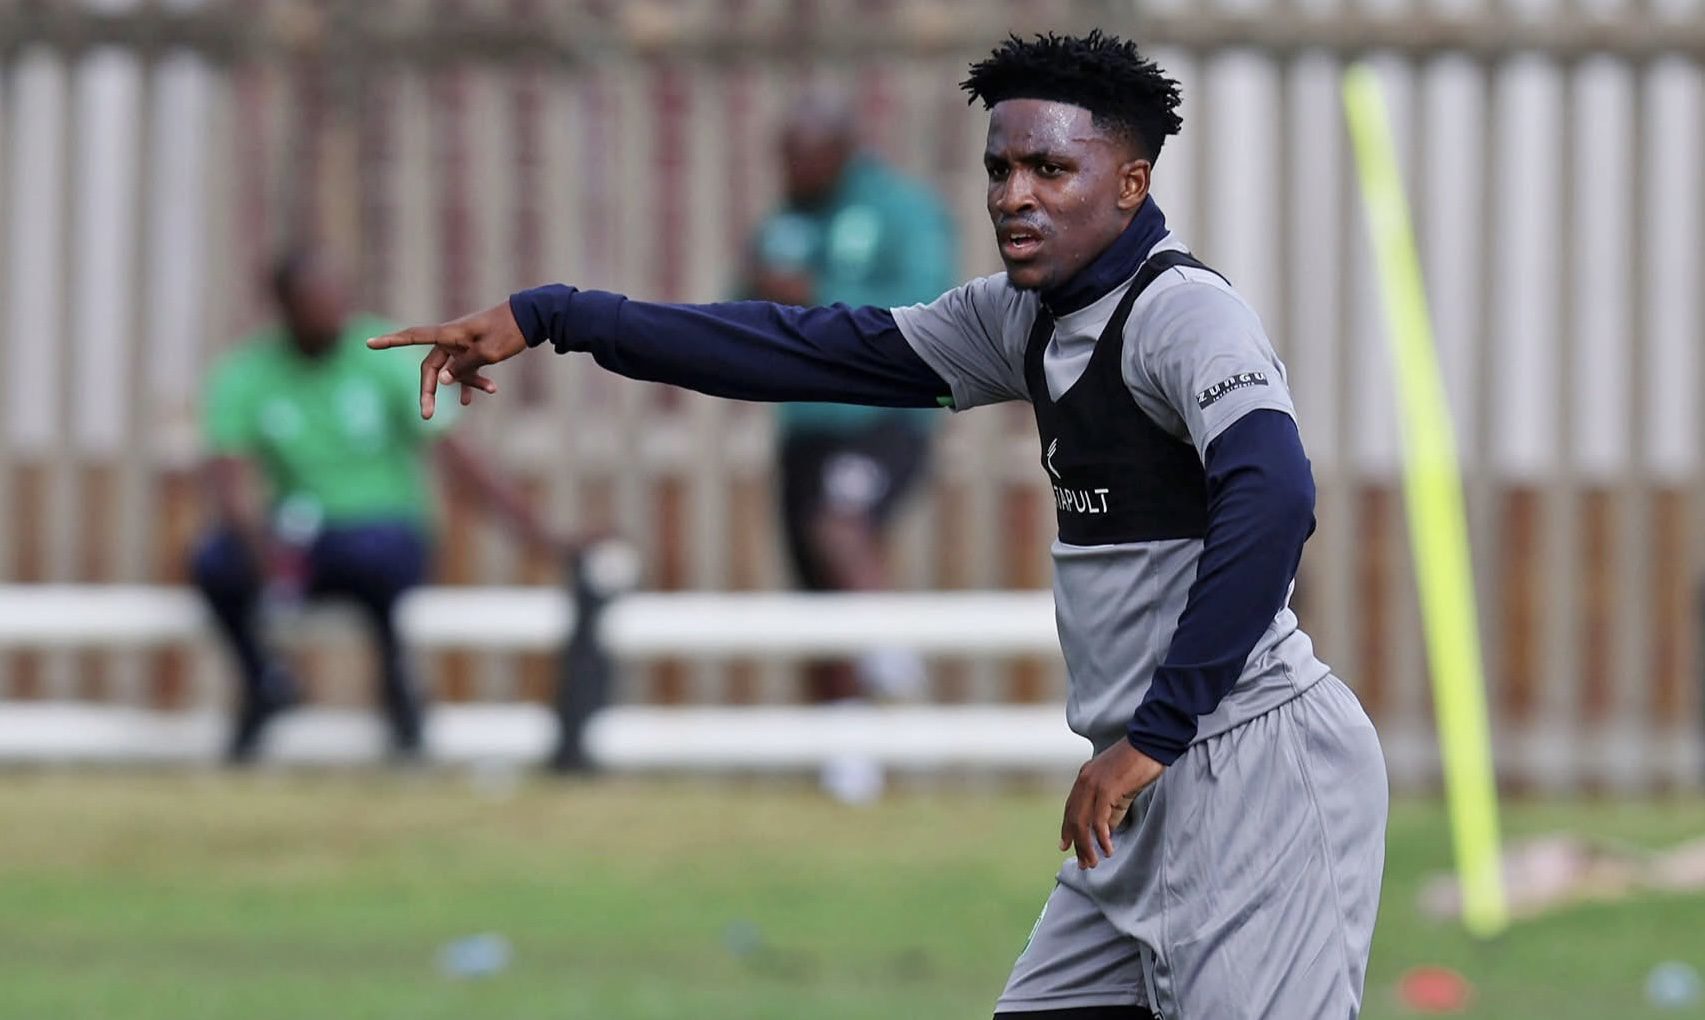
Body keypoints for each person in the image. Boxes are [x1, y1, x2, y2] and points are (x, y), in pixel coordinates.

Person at [370, 31, 1389, 1019]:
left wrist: (1152, 738)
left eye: (1050, 168)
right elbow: (800, 349)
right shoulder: (1017, 318)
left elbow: (1276, 497)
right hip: (1141, 781)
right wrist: (555, 315)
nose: (1015, 196)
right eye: (1000, 170)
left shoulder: (1182, 315)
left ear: (1129, 183)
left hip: (1246, 769)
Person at [191, 247, 559, 764]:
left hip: (379, 530)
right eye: (316, 301)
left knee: (375, 559)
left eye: (338, 298)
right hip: (293, 537)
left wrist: (542, 537)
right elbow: (226, 478)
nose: (332, 312)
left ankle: (400, 693)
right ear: (284, 307)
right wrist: (256, 546)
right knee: (214, 563)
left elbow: (459, 461)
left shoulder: (383, 354)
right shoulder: (247, 373)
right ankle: (265, 686)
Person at [748, 87, 957, 706]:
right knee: (815, 589)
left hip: (880, 417)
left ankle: (890, 654)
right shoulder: (786, 218)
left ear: (842, 151)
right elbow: (741, 303)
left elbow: (924, 301)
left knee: (840, 525)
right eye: (785, 159)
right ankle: (843, 753)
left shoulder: (901, 210)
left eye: (806, 158)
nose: (793, 172)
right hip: (804, 425)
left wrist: (816, 290)